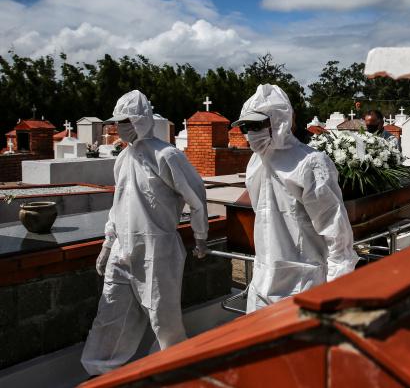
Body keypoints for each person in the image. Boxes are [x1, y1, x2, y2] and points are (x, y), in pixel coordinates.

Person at [82, 90, 209, 375]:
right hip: (121, 249)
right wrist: (107, 244)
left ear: (141, 120)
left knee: (164, 318)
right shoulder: (122, 158)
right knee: (111, 312)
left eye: (126, 121)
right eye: (117, 122)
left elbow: (196, 196)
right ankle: (99, 371)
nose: (120, 127)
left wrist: (200, 235)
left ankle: (174, 371)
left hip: (158, 250)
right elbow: (119, 205)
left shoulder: (167, 155)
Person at [235, 84, 358, 312]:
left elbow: (336, 231)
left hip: (302, 284)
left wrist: (337, 289)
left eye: (256, 125)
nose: (251, 133)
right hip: (261, 281)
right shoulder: (255, 163)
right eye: (246, 127)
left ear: (279, 120)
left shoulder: (309, 163)